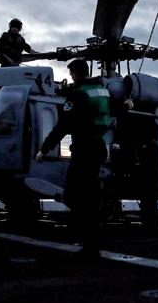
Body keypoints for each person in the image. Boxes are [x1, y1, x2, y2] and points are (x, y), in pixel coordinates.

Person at [36, 59, 111, 259]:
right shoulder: (101, 91)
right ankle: (92, 238)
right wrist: (127, 106)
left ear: (76, 74)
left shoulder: (77, 95)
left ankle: (90, 243)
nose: (71, 77)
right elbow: (112, 110)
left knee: (73, 195)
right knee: (88, 196)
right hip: (98, 147)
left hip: (84, 149)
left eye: (71, 74)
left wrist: (44, 149)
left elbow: (63, 125)